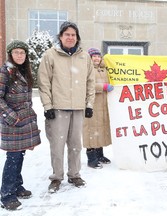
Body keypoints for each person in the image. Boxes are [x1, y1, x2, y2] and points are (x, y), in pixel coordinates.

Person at [37, 21, 95, 193]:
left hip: (78, 108)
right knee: (57, 145)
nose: (70, 37)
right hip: (58, 108)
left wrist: (89, 104)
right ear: (60, 37)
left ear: (77, 38)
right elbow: (44, 82)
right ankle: (57, 177)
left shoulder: (84, 57)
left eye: (73, 35)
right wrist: (48, 106)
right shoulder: (51, 55)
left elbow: (90, 82)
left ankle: (74, 174)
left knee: (76, 144)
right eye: (67, 34)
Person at [0, 40, 41, 210]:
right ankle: (7, 194)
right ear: (11, 54)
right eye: (16, 52)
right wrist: (12, 117)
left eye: (22, 53)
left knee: (20, 155)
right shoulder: (5, 72)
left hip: (24, 122)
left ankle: (17, 185)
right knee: (13, 157)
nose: (20, 55)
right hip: (13, 123)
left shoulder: (23, 71)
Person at [83, 48, 113, 169]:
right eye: (94, 56)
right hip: (92, 104)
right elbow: (86, 85)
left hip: (103, 105)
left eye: (98, 56)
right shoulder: (86, 69)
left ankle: (100, 155)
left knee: (100, 129)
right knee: (91, 130)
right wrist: (103, 86)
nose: (96, 58)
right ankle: (91, 158)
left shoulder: (104, 69)